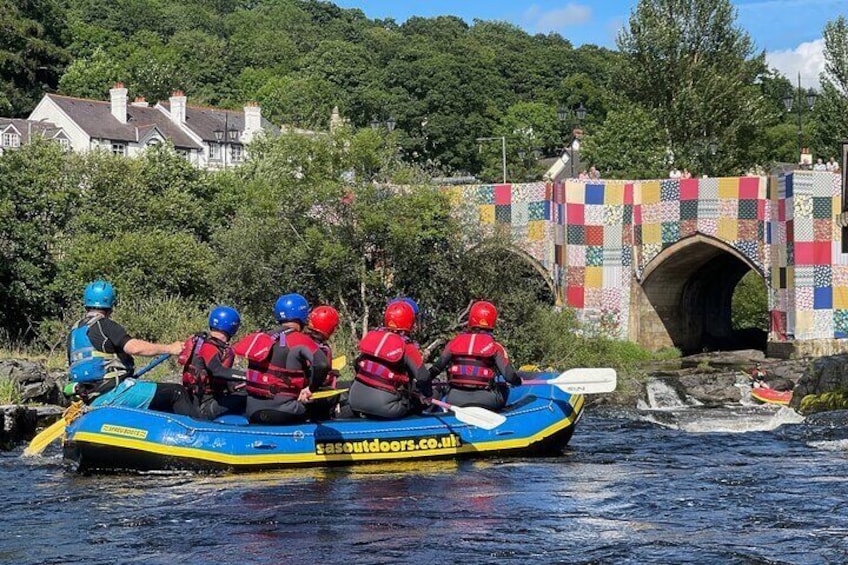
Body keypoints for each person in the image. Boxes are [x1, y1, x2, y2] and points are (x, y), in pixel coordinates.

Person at [66, 280, 183, 404]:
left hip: (89, 397)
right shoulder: (105, 325)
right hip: (112, 393)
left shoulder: (74, 333)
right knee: (177, 393)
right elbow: (134, 348)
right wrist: (170, 348)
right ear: (111, 305)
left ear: (86, 304)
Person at [239, 293, 330, 425]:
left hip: (252, 411)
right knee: (326, 401)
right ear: (303, 316)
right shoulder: (300, 339)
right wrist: (310, 389)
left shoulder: (262, 337)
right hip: (283, 411)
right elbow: (322, 364)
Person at [428, 300, 520, 410]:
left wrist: (421, 383)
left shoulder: (454, 342)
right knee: (503, 387)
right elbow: (509, 377)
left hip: (454, 399)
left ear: (471, 319)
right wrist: (519, 382)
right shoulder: (495, 347)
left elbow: (435, 369)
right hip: (486, 400)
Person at [347, 300, 431, 419]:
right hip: (386, 407)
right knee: (419, 403)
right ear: (410, 323)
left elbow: (357, 364)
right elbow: (423, 377)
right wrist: (427, 395)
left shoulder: (372, 338)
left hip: (354, 400)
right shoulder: (408, 347)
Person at [173, 305, 247, 420]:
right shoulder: (209, 347)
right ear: (233, 327)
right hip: (204, 406)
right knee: (247, 396)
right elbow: (218, 371)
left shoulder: (208, 344)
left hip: (203, 400)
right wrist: (248, 376)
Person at [303, 305, 341, 421]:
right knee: (334, 394)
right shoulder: (323, 349)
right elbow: (322, 378)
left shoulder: (301, 338)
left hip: (298, 389)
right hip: (310, 393)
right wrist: (332, 374)